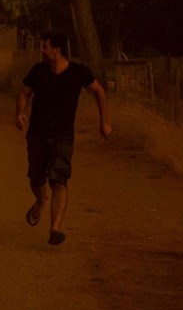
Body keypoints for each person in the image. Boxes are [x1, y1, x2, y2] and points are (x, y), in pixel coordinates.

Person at [15, 32, 111, 246]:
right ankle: (41, 200)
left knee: (59, 178)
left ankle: (55, 228)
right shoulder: (38, 71)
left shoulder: (78, 72)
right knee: (36, 177)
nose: (42, 50)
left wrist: (103, 122)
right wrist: (20, 112)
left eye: (45, 47)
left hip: (63, 136)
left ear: (57, 50)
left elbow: (99, 91)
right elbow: (24, 93)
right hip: (38, 133)